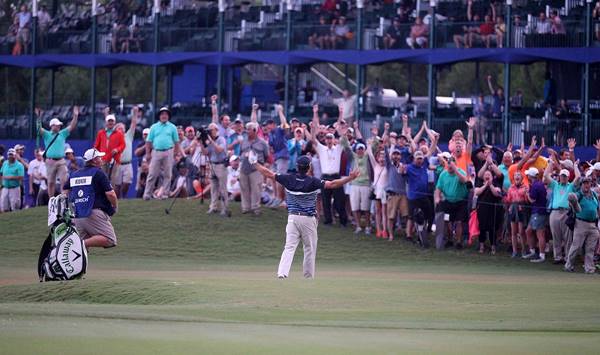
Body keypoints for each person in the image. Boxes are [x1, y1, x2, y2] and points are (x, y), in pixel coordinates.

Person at [253, 155, 360, 279]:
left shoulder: (288, 179)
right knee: (309, 248)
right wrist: (349, 178)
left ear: (297, 167)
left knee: (289, 247)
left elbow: (268, 173)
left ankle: (282, 273)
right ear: (309, 167)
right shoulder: (313, 181)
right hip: (308, 219)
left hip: (292, 218)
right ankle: (308, 277)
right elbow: (332, 184)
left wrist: (255, 163)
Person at [63, 148, 118, 249]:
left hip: (77, 215)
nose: (101, 159)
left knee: (80, 253)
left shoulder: (74, 174)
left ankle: (74, 250)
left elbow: (65, 192)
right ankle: (79, 244)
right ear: (94, 160)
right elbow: (111, 194)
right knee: (110, 239)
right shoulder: (98, 173)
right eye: (99, 157)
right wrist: (115, 206)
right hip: (93, 213)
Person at [311, 105, 347, 226]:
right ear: (325, 140)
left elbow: (343, 137)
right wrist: (314, 116)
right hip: (325, 177)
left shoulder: (338, 148)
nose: (329, 140)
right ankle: (328, 221)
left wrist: (341, 114)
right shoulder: (322, 149)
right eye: (327, 138)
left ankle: (343, 221)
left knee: (339, 200)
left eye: (331, 138)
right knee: (326, 200)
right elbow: (313, 139)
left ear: (333, 139)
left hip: (336, 177)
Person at [38, 106, 79, 198]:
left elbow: (72, 126)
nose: (59, 126)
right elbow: (39, 129)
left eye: (59, 125)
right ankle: (51, 200)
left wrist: (75, 116)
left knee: (64, 180)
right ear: (52, 126)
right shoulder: (47, 134)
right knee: (51, 182)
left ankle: (63, 198)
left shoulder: (62, 133)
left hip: (61, 161)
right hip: (50, 161)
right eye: (57, 125)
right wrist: (39, 118)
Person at [143, 107, 183, 200]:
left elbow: (176, 141)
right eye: (162, 114)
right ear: (159, 116)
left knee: (167, 174)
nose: (164, 116)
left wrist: (176, 153)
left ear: (168, 116)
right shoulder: (154, 127)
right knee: (152, 174)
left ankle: (165, 193)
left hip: (169, 151)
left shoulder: (172, 127)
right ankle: (147, 194)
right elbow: (148, 142)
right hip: (156, 151)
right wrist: (148, 153)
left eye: (166, 114)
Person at [544, 159, 579, 264]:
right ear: (559, 176)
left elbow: (578, 177)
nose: (563, 178)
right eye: (562, 176)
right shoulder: (555, 185)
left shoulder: (571, 186)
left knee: (568, 237)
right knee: (556, 236)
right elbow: (546, 175)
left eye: (565, 176)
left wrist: (575, 165)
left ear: (568, 178)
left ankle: (567, 257)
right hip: (555, 212)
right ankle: (558, 257)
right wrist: (550, 163)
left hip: (566, 212)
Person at [565, 176, 599, 274]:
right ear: (581, 185)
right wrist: (573, 201)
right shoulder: (579, 194)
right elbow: (572, 199)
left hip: (593, 224)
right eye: (584, 183)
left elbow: (597, 208)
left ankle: (589, 268)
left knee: (591, 248)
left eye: (588, 183)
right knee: (576, 246)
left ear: (590, 184)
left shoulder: (594, 195)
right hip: (581, 223)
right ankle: (568, 265)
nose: (586, 185)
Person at [434, 155, 469, 249]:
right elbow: (438, 188)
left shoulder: (461, 172)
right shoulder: (443, 174)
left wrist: (456, 170)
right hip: (448, 202)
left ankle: (458, 242)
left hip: (460, 202)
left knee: (459, 222)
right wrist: (437, 198)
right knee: (447, 221)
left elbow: (464, 180)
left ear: (455, 165)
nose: (450, 167)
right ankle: (449, 240)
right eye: (448, 165)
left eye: (452, 165)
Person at [239, 122, 270, 215]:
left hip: (256, 168)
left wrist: (260, 163)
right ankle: (245, 208)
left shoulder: (262, 142)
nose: (247, 131)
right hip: (244, 167)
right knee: (244, 188)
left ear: (255, 130)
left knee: (256, 189)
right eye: (246, 129)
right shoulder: (243, 141)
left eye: (249, 129)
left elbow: (266, 155)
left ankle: (256, 208)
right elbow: (240, 152)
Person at [200, 122, 229, 216]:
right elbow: (205, 152)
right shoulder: (209, 141)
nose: (210, 132)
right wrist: (201, 142)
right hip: (212, 165)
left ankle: (224, 208)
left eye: (211, 130)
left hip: (221, 165)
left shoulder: (221, 139)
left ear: (217, 130)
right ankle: (213, 207)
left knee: (223, 188)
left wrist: (210, 140)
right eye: (209, 130)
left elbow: (219, 150)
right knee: (213, 188)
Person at [264, 105, 290, 208]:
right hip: (276, 158)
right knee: (272, 177)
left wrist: (280, 111)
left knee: (279, 178)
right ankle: (275, 197)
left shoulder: (279, 129)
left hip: (283, 157)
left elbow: (285, 124)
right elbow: (271, 147)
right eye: (267, 125)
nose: (268, 127)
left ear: (274, 124)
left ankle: (280, 198)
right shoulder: (270, 134)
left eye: (269, 125)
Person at [94, 113, 126, 195]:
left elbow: (123, 145)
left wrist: (117, 149)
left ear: (114, 122)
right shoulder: (101, 133)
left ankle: (111, 196)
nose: (110, 123)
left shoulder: (119, 133)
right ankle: (103, 195)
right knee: (103, 177)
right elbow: (96, 145)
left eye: (112, 121)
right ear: (106, 122)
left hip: (115, 159)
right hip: (103, 159)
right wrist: (95, 155)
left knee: (113, 179)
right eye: (109, 121)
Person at [474, 169, 504, 254]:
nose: (487, 176)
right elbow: (477, 192)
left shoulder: (496, 184)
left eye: (489, 175)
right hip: (482, 210)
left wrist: (490, 185)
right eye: (485, 175)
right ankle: (481, 246)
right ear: (483, 177)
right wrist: (485, 186)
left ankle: (493, 247)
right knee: (482, 228)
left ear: (492, 177)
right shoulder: (479, 183)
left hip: (493, 210)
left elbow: (496, 193)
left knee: (492, 229)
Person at [523, 167, 548, 263]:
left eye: (528, 175)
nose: (527, 176)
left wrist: (527, 193)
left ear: (531, 176)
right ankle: (532, 251)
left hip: (539, 212)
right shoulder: (537, 184)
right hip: (536, 211)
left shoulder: (536, 186)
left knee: (540, 234)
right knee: (528, 231)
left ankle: (542, 256)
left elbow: (532, 200)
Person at [115, 106, 140, 198]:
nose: (121, 130)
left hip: (127, 164)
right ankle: (117, 201)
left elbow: (133, 123)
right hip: (117, 164)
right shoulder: (113, 138)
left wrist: (135, 113)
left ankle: (123, 197)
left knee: (127, 182)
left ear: (125, 129)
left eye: (122, 128)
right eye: (119, 128)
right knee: (117, 185)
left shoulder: (128, 136)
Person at [505, 171, 529, 257]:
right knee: (513, 231)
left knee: (521, 231)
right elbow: (508, 199)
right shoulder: (511, 188)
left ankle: (523, 250)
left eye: (519, 175)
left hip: (521, 208)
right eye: (515, 175)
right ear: (513, 178)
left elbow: (527, 200)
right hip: (513, 208)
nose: (517, 176)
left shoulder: (525, 187)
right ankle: (514, 251)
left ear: (522, 178)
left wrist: (527, 193)